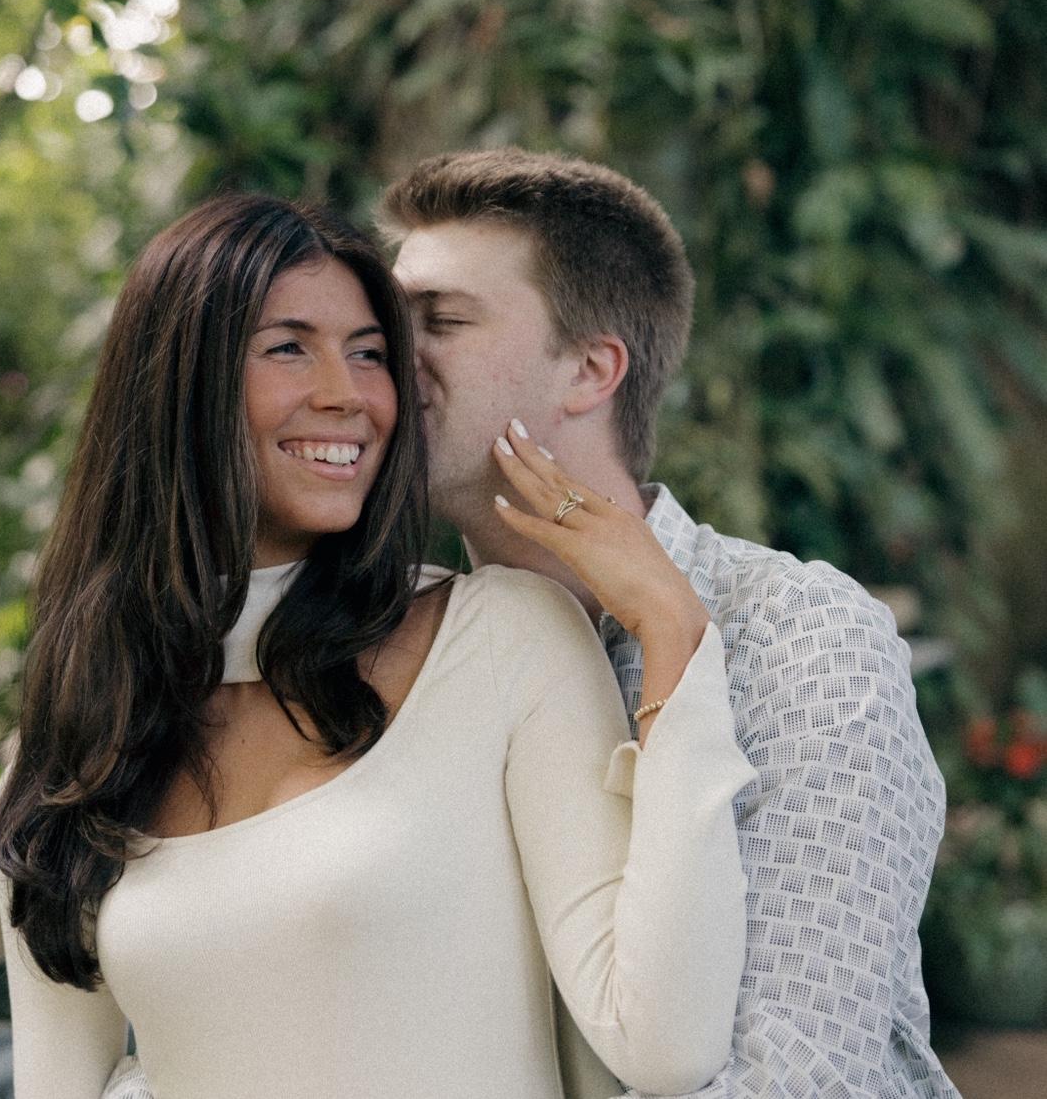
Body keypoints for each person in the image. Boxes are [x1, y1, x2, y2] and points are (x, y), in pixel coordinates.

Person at [0, 193, 756, 1099]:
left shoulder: (502, 640)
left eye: (368, 354)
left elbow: (664, 1044)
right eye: (287, 348)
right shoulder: (75, 745)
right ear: (178, 385)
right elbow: (57, 1084)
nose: (346, 395)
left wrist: (671, 625)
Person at [380, 148, 959, 1099]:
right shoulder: (395, 645)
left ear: (589, 370)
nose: (382, 359)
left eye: (439, 321)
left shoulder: (800, 638)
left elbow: (794, 1079)